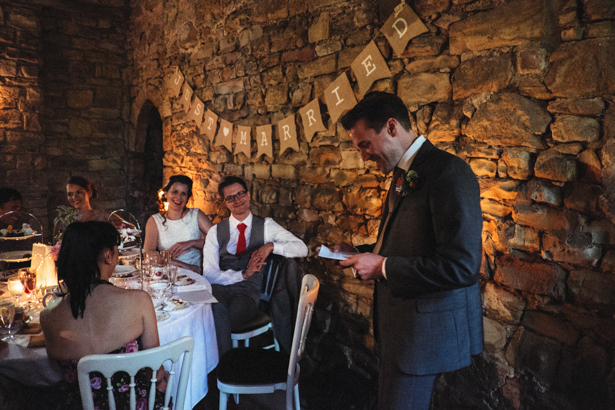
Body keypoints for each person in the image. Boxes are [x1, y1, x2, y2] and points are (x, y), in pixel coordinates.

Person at [336, 92, 484, 410]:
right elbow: (409, 240)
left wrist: (382, 267)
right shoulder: (407, 171)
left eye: (364, 144)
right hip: (402, 331)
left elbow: (462, 265)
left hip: (422, 338)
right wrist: (363, 251)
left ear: (391, 127)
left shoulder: (449, 172)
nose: (363, 157)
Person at [40, 221, 167, 410]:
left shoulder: (48, 316)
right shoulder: (140, 301)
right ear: (108, 255)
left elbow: (57, 373)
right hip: (132, 404)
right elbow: (154, 372)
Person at [203, 175, 308, 356]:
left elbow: (302, 248)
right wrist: (242, 274)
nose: (237, 200)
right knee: (216, 308)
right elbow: (209, 273)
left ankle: (221, 371)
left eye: (240, 194)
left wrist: (271, 246)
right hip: (219, 288)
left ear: (249, 195)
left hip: (247, 292)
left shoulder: (266, 226)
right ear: (225, 203)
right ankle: (226, 370)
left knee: (216, 317)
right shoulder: (215, 231)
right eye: (230, 198)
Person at [143, 175, 213, 273]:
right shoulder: (154, 221)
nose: (178, 197)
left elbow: (217, 240)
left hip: (195, 272)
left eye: (183, 193)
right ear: (166, 194)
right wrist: (183, 265)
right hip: (167, 273)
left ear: (188, 198)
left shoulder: (196, 215)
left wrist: (192, 243)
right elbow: (148, 254)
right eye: (175, 192)